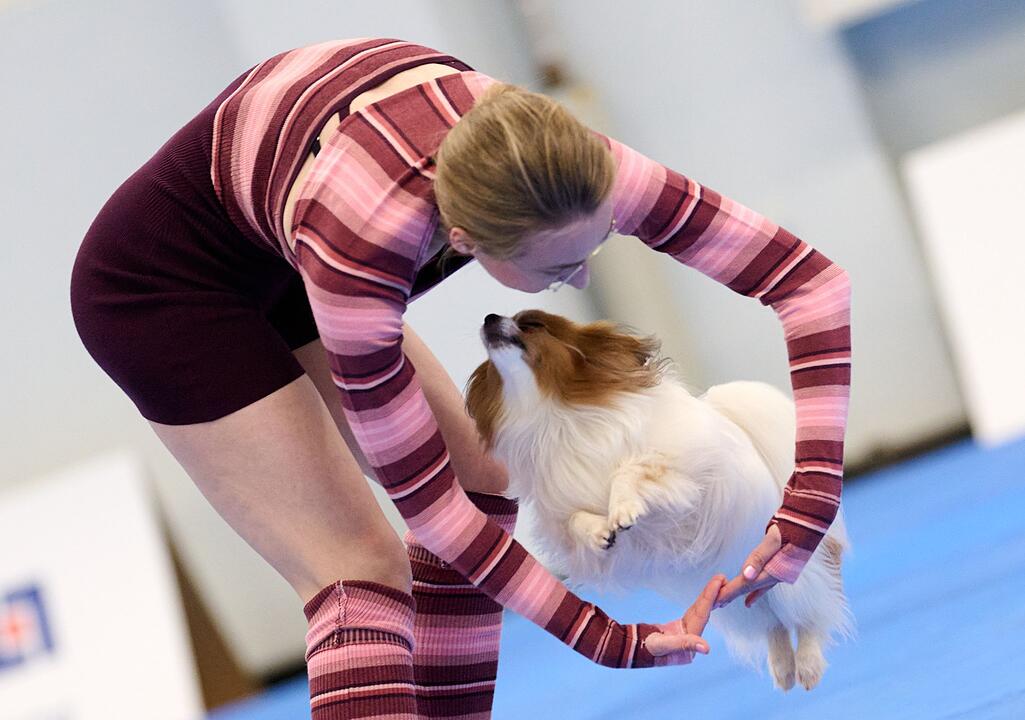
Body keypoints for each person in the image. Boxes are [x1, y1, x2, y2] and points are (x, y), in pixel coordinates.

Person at [69, 37, 850, 719]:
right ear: (462, 241)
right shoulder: (363, 249)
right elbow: (433, 513)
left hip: (286, 226)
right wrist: (604, 639)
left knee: (485, 484)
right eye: (557, 267)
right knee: (356, 572)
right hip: (163, 287)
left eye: (596, 242)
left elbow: (810, 285)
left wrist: (807, 504)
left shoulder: (571, 165)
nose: (580, 279)